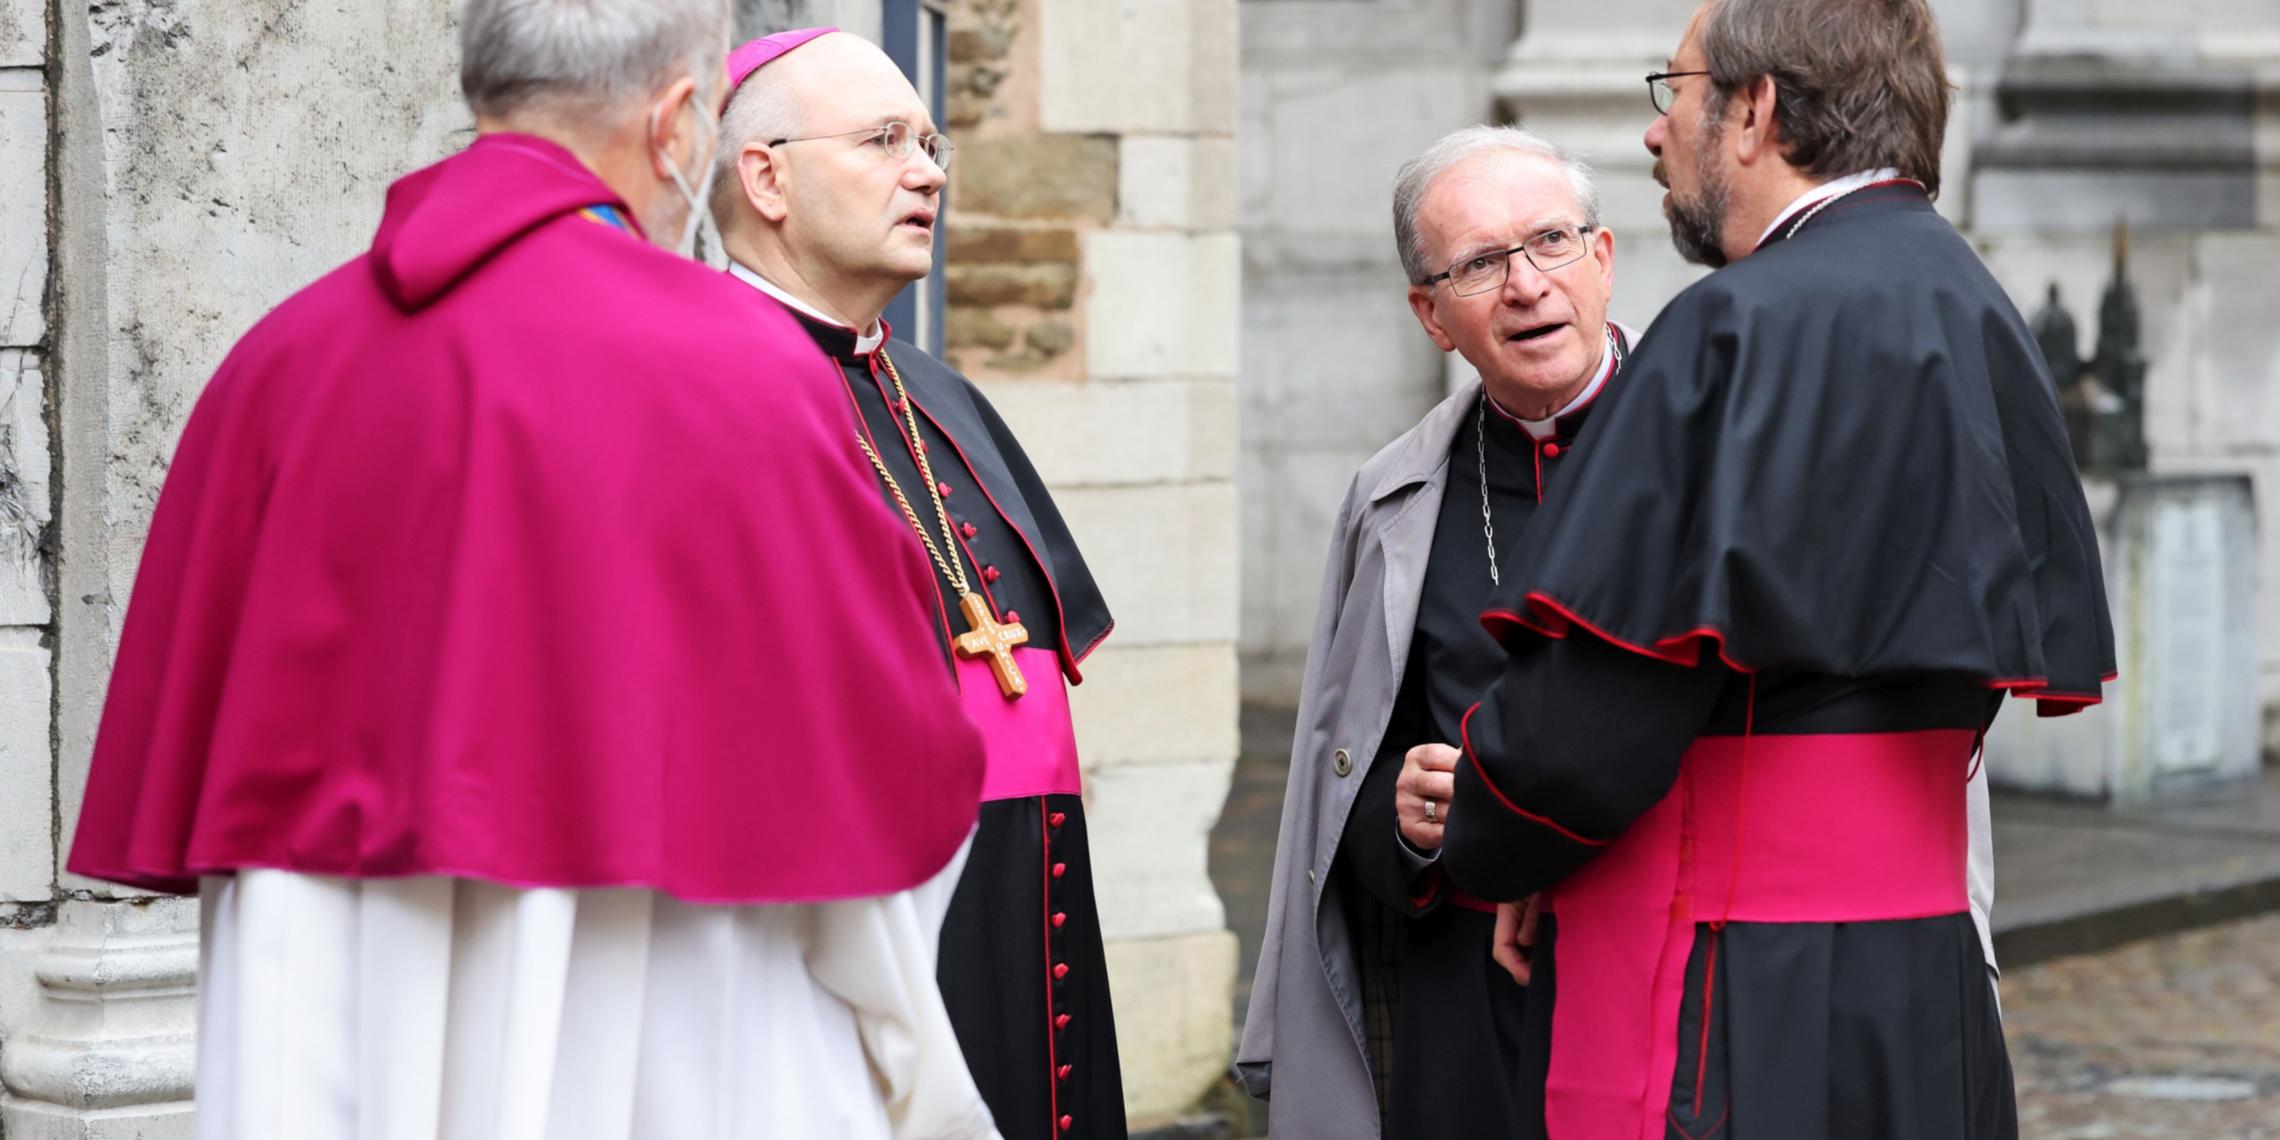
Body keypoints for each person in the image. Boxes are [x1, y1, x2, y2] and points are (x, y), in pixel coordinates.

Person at [65, 3, 999, 1138]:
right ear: (675, 123)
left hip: (330, 1023)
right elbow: (882, 768)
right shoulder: (739, 369)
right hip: (660, 1007)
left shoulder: (276, 366)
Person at [1441, 1, 2115, 1137]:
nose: (1656, 130)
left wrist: (1491, 829)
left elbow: (1586, 729)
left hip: (1740, 985)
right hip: (1927, 983)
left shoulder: (1732, 328)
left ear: (1754, 112)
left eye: (1679, 91)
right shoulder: (1979, 308)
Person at [709, 29, 1123, 1140]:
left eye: (931, 144)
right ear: (767, 178)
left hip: (1028, 903)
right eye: (886, 139)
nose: (928, 172)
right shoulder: (707, 395)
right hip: (849, 938)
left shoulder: (940, 393)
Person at [1236, 126, 1636, 1139]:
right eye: (1480, 264)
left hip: (1666, 957)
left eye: (1551, 241)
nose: (1527, 286)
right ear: (1431, 315)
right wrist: (1403, 819)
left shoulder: (1714, 453)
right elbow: (1347, 775)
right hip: (1472, 992)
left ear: (1602, 256)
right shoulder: (1392, 497)